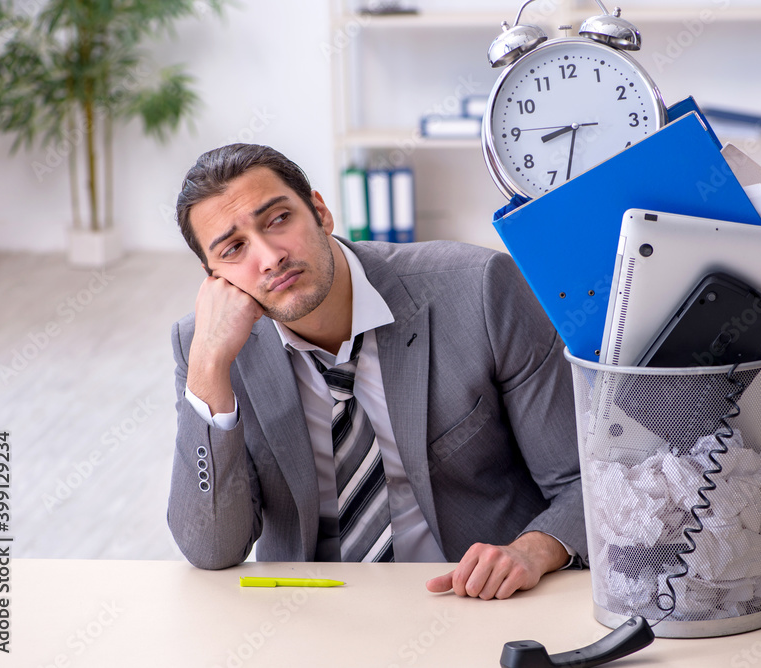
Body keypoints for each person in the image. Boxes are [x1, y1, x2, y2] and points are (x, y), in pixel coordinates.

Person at [166, 143, 586, 600]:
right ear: (214, 278)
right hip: (311, 613)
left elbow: (590, 478)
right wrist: (208, 367)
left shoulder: (479, 289)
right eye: (234, 248)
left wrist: (534, 550)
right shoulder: (206, 348)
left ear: (320, 212)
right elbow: (210, 549)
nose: (269, 257)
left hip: (476, 601)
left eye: (278, 219)